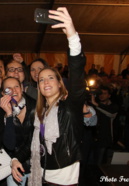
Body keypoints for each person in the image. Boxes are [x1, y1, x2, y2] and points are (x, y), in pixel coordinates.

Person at [27, 7, 86, 186]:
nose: (45, 82)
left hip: (64, 175)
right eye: (41, 79)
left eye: (50, 78)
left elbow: (77, 75)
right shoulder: (40, 113)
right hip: (42, 172)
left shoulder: (70, 107)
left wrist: (72, 37)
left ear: (60, 83)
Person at [0, 77, 36, 185]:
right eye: (8, 89)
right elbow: (9, 145)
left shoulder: (35, 106)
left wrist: (17, 159)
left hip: (35, 164)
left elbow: (34, 140)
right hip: (13, 166)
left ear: (22, 88)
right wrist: (9, 116)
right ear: (3, 93)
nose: (14, 91)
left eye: (16, 86)